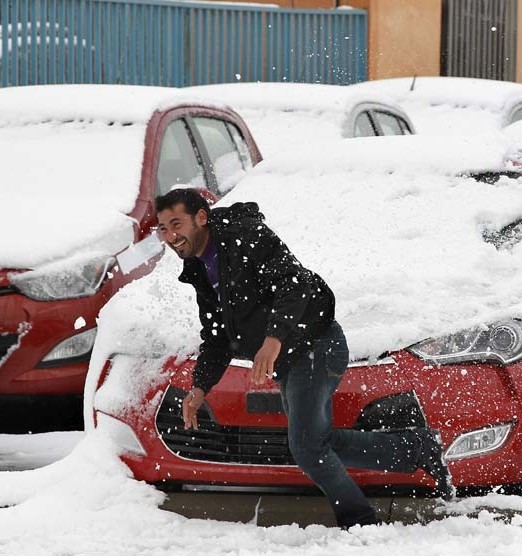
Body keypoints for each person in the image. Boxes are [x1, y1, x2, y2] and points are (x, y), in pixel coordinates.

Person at [154, 188, 454, 528]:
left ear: (201, 218)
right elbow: (216, 337)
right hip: (293, 359)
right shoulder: (199, 267)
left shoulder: (247, 237)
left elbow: (297, 286)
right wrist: (200, 387)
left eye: (176, 224)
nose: (170, 236)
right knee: (318, 442)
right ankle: (416, 448)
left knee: (308, 447)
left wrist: (273, 338)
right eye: (162, 228)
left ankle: (360, 523)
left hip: (316, 345)